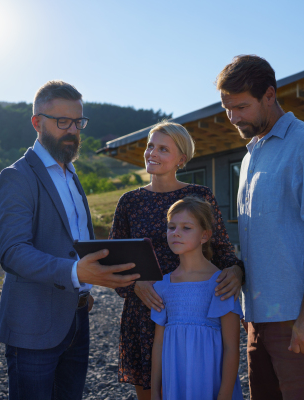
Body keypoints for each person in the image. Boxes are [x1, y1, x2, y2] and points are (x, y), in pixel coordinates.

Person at [0, 80, 139, 400]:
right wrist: (76, 273)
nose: (72, 130)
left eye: (78, 122)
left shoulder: (71, 174)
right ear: (36, 122)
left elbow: (76, 240)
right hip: (33, 326)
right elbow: (13, 252)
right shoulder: (17, 176)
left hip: (77, 317)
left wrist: (95, 279)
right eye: (63, 122)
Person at [216, 55, 304, 400]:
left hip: (297, 316)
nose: (234, 118)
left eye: (242, 107)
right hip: (258, 315)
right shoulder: (249, 156)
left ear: (270, 95)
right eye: (228, 109)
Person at [109, 121, 245, 400]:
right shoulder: (128, 202)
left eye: (163, 148)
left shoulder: (199, 196)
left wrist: (236, 271)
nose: (152, 153)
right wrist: (136, 286)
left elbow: (222, 250)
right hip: (145, 312)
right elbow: (114, 262)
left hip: (194, 308)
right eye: (150, 146)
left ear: (181, 159)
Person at [151, 196, 244, 400]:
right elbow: (158, 344)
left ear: (204, 235)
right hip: (175, 383)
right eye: (171, 227)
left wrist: (225, 395)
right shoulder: (163, 285)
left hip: (211, 384)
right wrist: (155, 392)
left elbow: (231, 346)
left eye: (186, 228)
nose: (176, 233)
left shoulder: (221, 283)